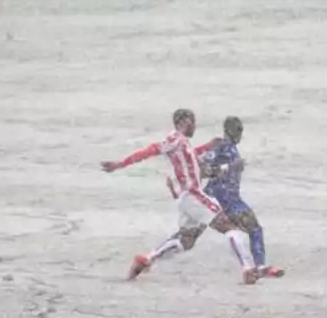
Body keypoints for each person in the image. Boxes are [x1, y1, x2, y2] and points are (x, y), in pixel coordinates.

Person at [101, 108, 259, 285]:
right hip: (193, 195)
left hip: (186, 199)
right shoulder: (174, 139)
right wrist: (120, 164)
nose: (195, 126)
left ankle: (147, 259)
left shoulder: (184, 145)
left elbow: (201, 166)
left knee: (187, 240)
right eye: (193, 122)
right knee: (229, 227)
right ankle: (247, 269)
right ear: (183, 122)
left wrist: (217, 155)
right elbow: (150, 150)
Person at [167, 116, 285, 279]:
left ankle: (260, 267)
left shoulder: (227, 148)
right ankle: (152, 257)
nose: (239, 134)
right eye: (237, 130)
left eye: (240, 131)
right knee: (189, 236)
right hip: (218, 198)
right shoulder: (220, 147)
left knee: (254, 228)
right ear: (227, 130)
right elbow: (203, 169)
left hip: (227, 199)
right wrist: (228, 167)